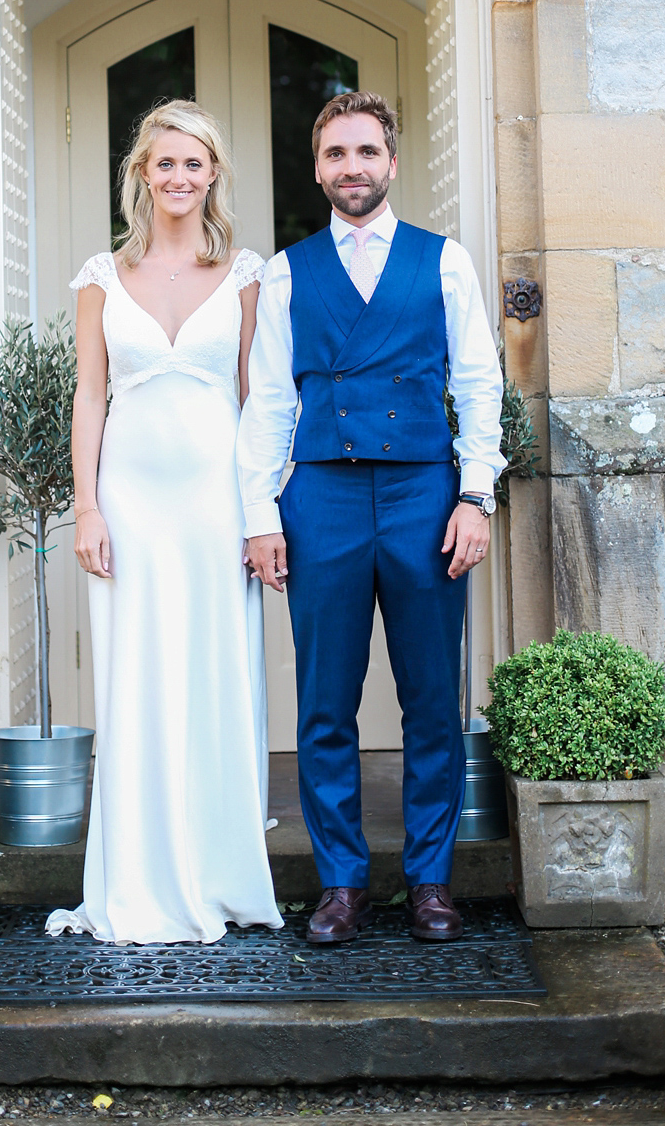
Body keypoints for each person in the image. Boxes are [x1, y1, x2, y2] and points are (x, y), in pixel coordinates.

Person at [237, 91, 505, 947]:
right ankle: (341, 883)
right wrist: (259, 516)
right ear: (316, 168)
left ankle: (430, 882)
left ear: (391, 162)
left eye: (366, 152)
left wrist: (475, 496)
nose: (352, 168)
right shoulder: (286, 271)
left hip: (427, 494)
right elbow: (271, 401)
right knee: (325, 703)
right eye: (336, 155)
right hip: (322, 496)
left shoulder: (445, 262)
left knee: (430, 698)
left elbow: (479, 386)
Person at [46, 99, 283, 945]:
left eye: (194, 163)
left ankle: (218, 874)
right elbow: (90, 394)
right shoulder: (100, 277)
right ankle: (141, 880)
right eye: (164, 163)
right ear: (141, 175)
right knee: (137, 679)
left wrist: (266, 513)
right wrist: (87, 506)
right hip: (133, 503)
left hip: (218, 502)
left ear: (213, 174)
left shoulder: (250, 273)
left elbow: (261, 399)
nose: (179, 177)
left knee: (218, 673)